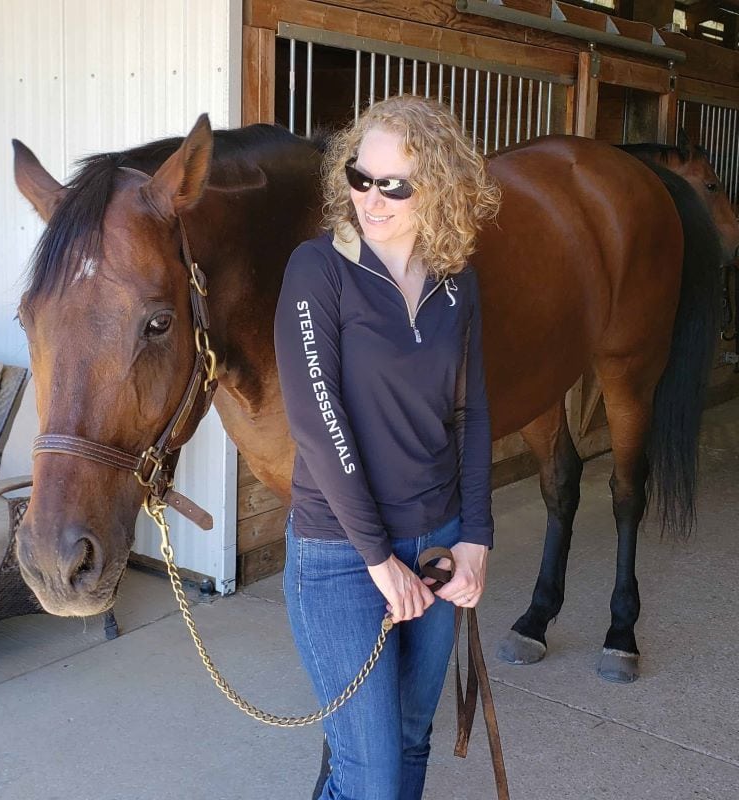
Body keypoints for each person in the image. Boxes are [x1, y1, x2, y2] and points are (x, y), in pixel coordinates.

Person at [273, 94, 501, 800]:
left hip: (434, 540)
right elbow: (319, 421)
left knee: (408, 743)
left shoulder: (456, 282)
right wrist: (377, 557)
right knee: (368, 777)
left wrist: (475, 539)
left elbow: (471, 412)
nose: (371, 198)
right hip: (340, 554)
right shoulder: (319, 270)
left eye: (393, 184)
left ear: (437, 185)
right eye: (359, 177)